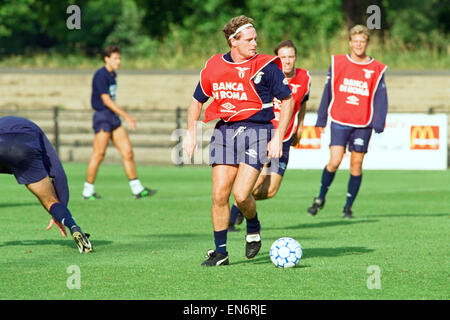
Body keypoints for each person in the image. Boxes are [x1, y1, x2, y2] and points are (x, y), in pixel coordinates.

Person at [183, 15, 294, 266]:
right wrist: (191, 132)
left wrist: (278, 136)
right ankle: (220, 252)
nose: (255, 43)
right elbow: (196, 101)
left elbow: (288, 100)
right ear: (233, 41)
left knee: (241, 195)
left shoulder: (266, 66)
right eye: (249, 39)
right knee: (218, 194)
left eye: (256, 38)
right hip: (224, 132)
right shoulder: (213, 66)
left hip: (257, 132)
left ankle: (252, 224)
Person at [228, 40, 311, 231]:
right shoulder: (267, 74)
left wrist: (300, 126)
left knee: (271, 191)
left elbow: (303, 102)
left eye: (291, 57)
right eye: (283, 57)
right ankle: (230, 220)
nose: (288, 61)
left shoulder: (305, 77)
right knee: (255, 181)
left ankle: (242, 203)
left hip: (285, 137)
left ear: (295, 57)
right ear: (277, 58)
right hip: (264, 134)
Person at [307, 25, 388, 219]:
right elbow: (328, 92)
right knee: (334, 161)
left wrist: (379, 121)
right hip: (340, 119)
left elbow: (381, 96)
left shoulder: (376, 68)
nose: (359, 44)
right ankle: (320, 197)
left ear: (367, 43)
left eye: (363, 41)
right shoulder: (338, 63)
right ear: (350, 42)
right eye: (356, 41)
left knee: (356, 165)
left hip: (363, 123)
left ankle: (348, 207)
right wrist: (321, 117)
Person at [0, 116, 93, 253]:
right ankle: (74, 227)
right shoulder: (36, 131)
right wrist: (61, 209)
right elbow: (57, 172)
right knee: (50, 201)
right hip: (24, 151)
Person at [82, 45, 155, 200]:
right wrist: (127, 116)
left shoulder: (112, 74)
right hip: (102, 116)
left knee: (127, 152)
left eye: (119, 58)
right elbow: (106, 100)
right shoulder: (100, 75)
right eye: (115, 58)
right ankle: (87, 191)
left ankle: (137, 189)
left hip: (113, 117)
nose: (118, 61)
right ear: (106, 59)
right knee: (99, 154)